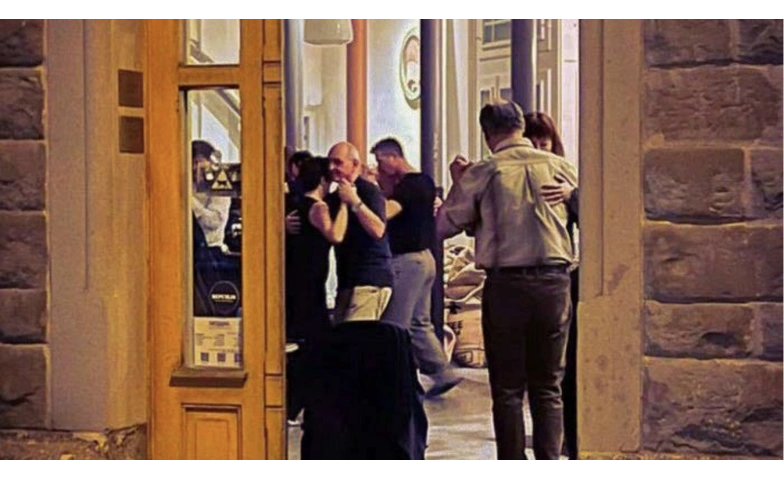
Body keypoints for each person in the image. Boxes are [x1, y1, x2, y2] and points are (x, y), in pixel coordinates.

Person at [436, 100, 577, 463]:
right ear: (521, 128)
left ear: (488, 135)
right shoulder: (560, 167)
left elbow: (445, 225)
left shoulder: (485, 171)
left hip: (507, 286)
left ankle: (512, 463)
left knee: (509, 388)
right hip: (554, 284)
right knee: (548, 385)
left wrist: (458, 185)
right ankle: (549, 463)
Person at [372, 137, 462, 398]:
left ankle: (397, 384)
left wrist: (365, 194)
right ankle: (442, 372)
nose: (379, 168)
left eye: (380, 162)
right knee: (419, 323)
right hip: (425, 259)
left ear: (392, 157)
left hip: (407, 262)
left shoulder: (408, 187)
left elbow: (385, 213)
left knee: (395, 325)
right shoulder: (424, 182)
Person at [524, 112, 579, 462]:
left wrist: (572, 194)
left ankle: (569, 447)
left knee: (562, 372)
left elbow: (591, 215)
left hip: (564, 277)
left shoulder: (563, 172)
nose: (538, 147)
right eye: (532, 140)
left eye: (543, 140)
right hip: (541, 280)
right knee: (541, 375)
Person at [285, 156, 349, 425]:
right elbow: (335, 235)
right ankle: (297, 405)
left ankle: (296, 404)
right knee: (315, 344)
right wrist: (346, 204)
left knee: (302, 344)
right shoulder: (318, 207)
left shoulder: (294, 205)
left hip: (295, 282)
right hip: (310, 286)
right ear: (323, 180)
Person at [326, 141, 395, 323]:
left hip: (370, 279)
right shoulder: (333, 199)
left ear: (355, 164)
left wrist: (354, 202)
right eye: (329, 162)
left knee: (358, 335)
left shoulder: (369, 191)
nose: (332, 168)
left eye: (338, 162)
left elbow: (378, 230)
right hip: (347, 281)